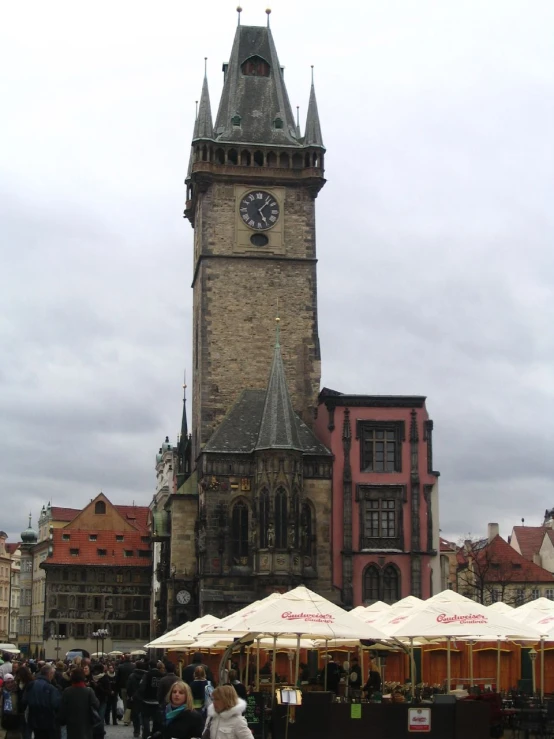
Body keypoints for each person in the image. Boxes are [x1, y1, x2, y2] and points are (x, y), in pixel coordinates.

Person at [59, 667, 100, 739]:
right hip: (86, 722)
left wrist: (62, 720)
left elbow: (62, 708)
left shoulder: (67, 691)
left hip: (71, 723)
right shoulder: (88, 691)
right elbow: (96, 705)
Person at [22, 664, 62, 739]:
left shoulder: (31, 684)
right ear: (50, 674)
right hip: (48, 722)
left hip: (34, 721)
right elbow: (56, 705)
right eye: (52, 674)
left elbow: (24, 701)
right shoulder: (51, 688)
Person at [138, 660, 163, 739]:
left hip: (147, 700)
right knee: (156, 719)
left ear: (149, 666)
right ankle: (155, 734)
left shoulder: (147, 674)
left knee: (145, 717)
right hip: (157, 701)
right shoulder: (161, 675)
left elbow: (142, 687)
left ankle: (147, 733)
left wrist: (142, 696)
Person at [126, 660, 147, 739]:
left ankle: (136, 731)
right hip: (144, 698)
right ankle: (145, 730)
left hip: (134, 698)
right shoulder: (146, 675)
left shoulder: (132, 676)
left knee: (135, 715)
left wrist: (130, 695)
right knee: (144, 715)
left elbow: (128, 687)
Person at [116, 655, 135, 726]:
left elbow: (118, 679)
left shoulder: (120, 666)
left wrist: (117, 689)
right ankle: (131, 718)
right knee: (132, 703)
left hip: (123, 687)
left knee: (125, 703)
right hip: (132, 688)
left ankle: (126, 719)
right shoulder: (133, 666)